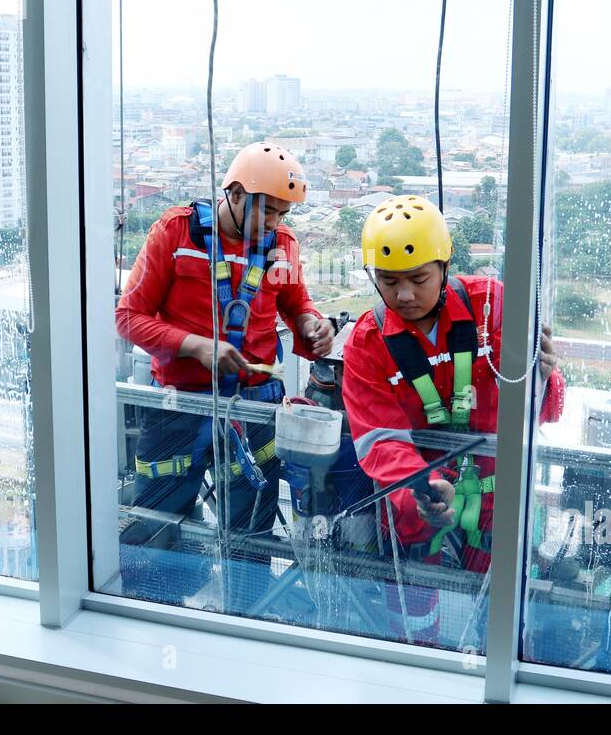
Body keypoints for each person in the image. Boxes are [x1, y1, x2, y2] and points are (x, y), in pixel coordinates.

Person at [115, 141, 334, 609]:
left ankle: (244, 613)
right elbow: (129, 317)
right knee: (160, 515)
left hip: (254, 407)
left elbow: (296, 305)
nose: (274, 224)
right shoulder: (177, 233)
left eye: (282, 213)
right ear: (233, 193)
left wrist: (313, 327)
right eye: (266, 211)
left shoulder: (282, 247)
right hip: (180, 403)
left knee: (250, 528)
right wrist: (195, 346)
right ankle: (155, 610)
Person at [340, 194, 563, 643]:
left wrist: (544, 377)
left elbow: (539, 411)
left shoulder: (493, 308)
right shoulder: (367, 344)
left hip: (495, 506)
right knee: (413, 626)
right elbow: (379, 441)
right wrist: (423, 486)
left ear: (445, 265)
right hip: (420, 506)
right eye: (388, 281)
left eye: (418, 278)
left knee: (502, 627)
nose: (403, 295)